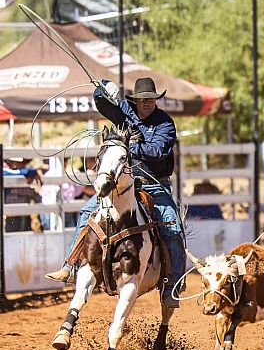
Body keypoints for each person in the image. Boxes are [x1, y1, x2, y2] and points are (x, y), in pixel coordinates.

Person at [45, 77, 185, 308]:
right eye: (142, 100)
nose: (147, 103)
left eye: (150, 99)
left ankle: (172, 284)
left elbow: (158, 150)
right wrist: (104, 87)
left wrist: (129, 144)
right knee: (87, 212)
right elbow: (102, 103)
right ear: (136, 101)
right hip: (123, 183)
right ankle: (69, 267)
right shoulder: (125, 111)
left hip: (154, 184)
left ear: (155, 100)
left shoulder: (165, 123)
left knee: (172, 226)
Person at [3, 157, 43, 233]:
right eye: (8, 162)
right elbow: (10, 172)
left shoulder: (23, 177)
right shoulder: (9, 173)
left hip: (23, 212)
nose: (11, 165)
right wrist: (30, 171)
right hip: (12, 213)